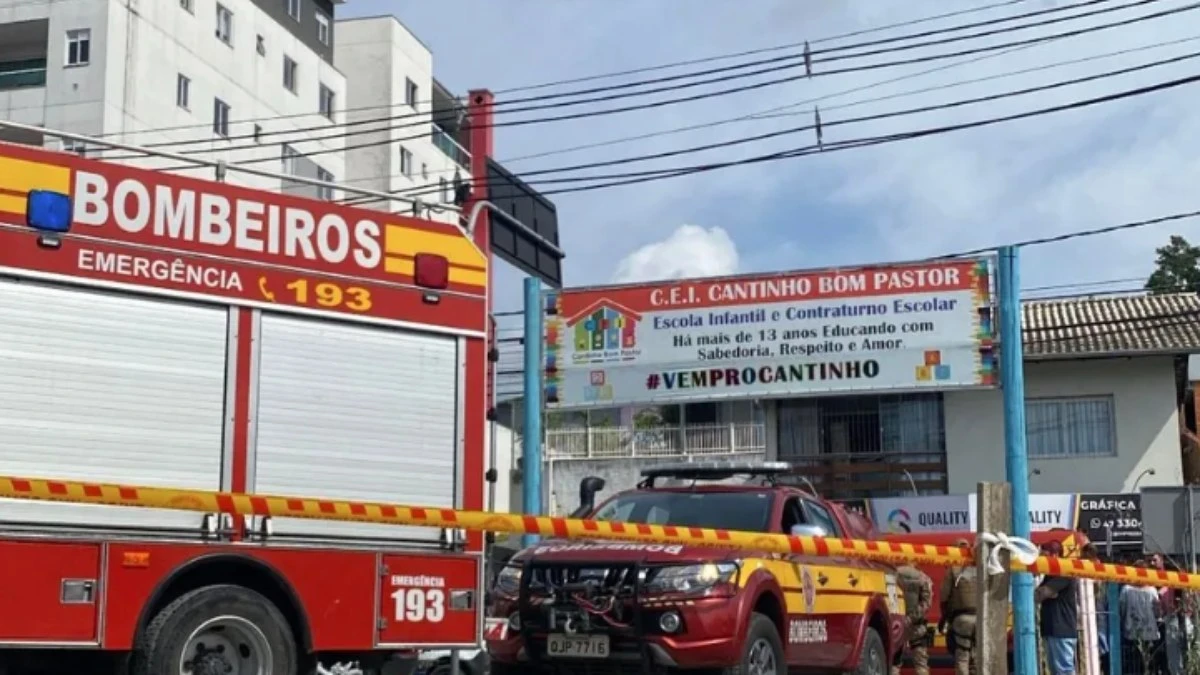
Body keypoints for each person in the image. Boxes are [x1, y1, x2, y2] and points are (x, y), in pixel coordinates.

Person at [1035, 541, 1078, 675]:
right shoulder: (1050, 575)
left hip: (1061, 630)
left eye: (1043, 555)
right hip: (1052, 629)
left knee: (1063, 670)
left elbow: (1040, 594)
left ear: (1054, 555)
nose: (1041, 560)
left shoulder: (1064, 572)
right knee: (1056, 670)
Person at [939, 537, 977, 675]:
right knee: (977, 657)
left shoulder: (953, 569)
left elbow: (944, 596)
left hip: (961, 619)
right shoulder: (979, 568)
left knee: (962, 656)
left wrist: (943, 618)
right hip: (980, 619)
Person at [891, 563, 934, 675]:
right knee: (921, 664)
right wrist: (912, 618)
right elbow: (926, 603)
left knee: (894, 663)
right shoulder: (922, 577)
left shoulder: (893, 575)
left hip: (896, 625)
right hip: (917, 626)